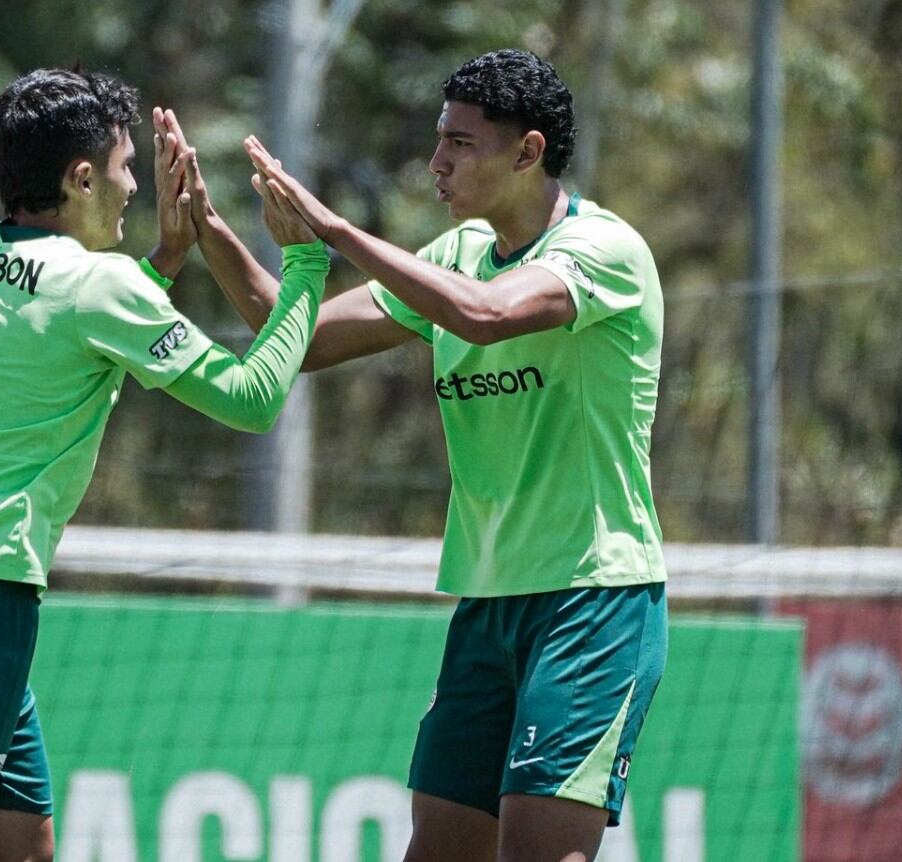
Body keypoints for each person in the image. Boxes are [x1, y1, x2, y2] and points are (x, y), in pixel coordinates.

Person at [162, 48, 668, 862]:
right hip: (488, 599)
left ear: (528, 152)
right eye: (440, 138)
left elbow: (486, 316)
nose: (437, 160)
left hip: (591, 599)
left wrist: (333, 230)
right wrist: (209, 230)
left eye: (460, 144)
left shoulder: (603, 251)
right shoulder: (458, 253)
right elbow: (298, 338)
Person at [0, 67, 327, 862]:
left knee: (24, 847)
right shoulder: (100, 286)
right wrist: (307, 271)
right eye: (123, 166)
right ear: (80, 179)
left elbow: (74, 343)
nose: (136, 184)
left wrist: (168, 256)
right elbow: (253, 398)